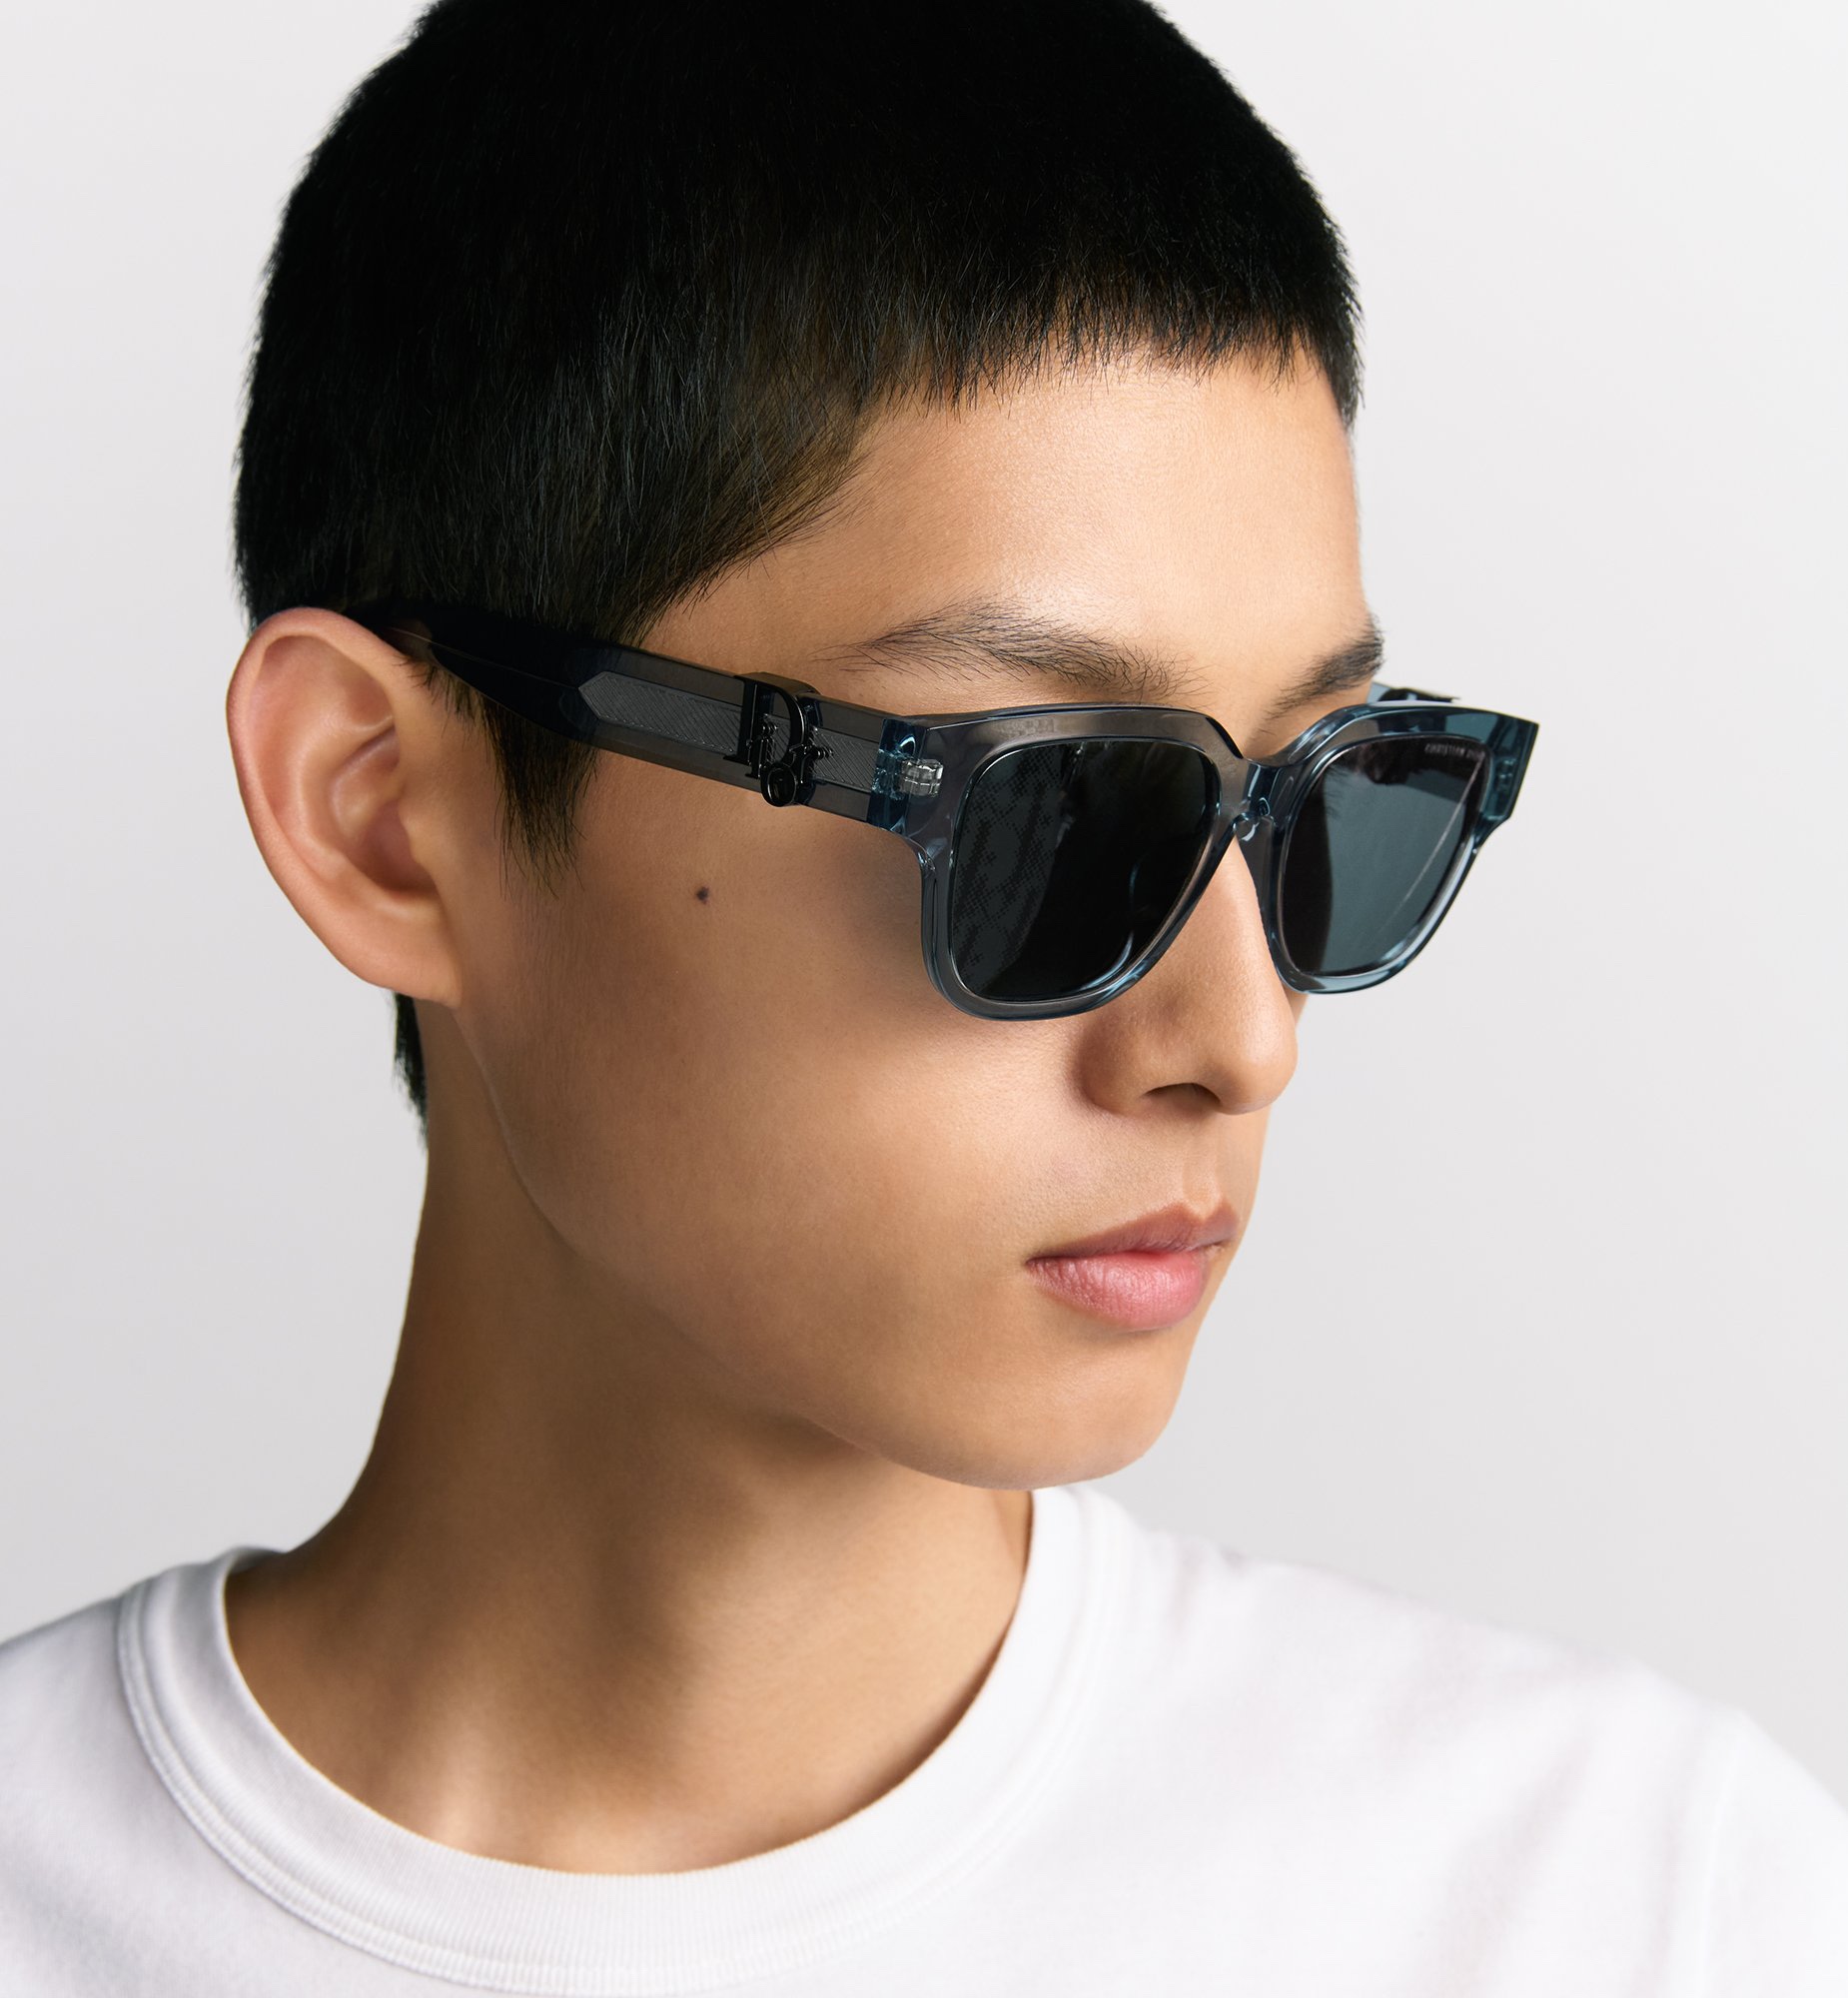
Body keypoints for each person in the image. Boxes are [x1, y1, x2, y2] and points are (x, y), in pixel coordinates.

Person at [2, 1, 1843, 1990]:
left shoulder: (1632, 1907)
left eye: (1326, 801)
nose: (1241, 1040)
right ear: (383, 817)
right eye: (1050, 810)